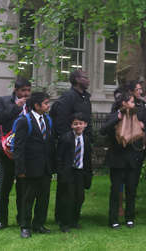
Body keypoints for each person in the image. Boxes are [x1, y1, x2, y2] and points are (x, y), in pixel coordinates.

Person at [12, 91, 55, 238]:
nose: (48, 105)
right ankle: (25, 226)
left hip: (45, 167)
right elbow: (19, 147)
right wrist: (20, 168)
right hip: (30, 168)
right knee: (28, 199)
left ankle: (39, 224)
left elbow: (50, 144)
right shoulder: (25, 121)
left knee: (43, 198)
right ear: (37, 105)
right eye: (46, 103)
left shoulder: (48, 120)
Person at [100, 92, 144, 229]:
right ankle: (113, 219)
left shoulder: (135, 116)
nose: (133, 104)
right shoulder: (113, 115)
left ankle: (130, 218)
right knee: (115, 190)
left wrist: (141, 127)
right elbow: (102, 130)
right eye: (131, 102)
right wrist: (117, 118)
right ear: (124, 103)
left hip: (131, 158)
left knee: (131, 189)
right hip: (117, 158)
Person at [54, 70, 92, 223]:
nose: (88, 80)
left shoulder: (84, 98)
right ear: (77, 79)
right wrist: (68, 139)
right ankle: (62, 218)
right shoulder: (68, 97)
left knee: (78, 191)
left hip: (81, 143)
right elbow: (61, 121)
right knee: (65, 189)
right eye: (85, 77)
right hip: (69, 146)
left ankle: (74, 218)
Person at [0, 78, 30, 231]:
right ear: (16, 90)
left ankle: (21, 217)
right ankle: (2, 220)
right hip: (5, 150)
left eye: (28, 90)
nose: (26, 94)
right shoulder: (4, 101)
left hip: (22, 151)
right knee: (4, 187)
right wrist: (16, 106)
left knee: (22, 187)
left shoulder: (31, 103)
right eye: (23, 90)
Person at [54, 113, 93, 233]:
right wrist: (61, 172)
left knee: (79, 197)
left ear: (85, 124)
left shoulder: (86, 140)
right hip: (69, 172)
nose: (78, 126)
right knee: (68, 197)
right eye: (75, 124)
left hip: (80, 173)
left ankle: (74, 220)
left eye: (81, 123)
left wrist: (88, 174)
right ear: (71, 125)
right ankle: (64, 223)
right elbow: (58, 157)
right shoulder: (65, 138)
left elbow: (87, 158)